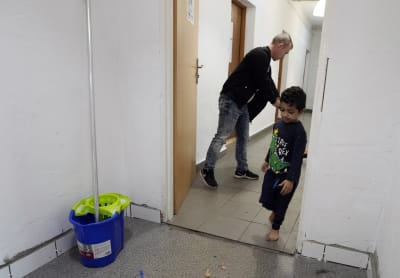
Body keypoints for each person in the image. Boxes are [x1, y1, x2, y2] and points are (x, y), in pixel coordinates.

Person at [200, 31, 293, 189]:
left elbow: (268, 81)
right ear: (280, 45)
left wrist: (278, 99)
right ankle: (207, 169)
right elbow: (261, 81)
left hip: (241, 103)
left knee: (243, 136)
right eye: (285, 52)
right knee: (222, 136)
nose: (283, 56)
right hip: (231, 99)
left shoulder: (265, 60)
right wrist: (274, 100)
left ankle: (241, 169)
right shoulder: (260, 55)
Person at [259, 86, 307, 241]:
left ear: (301, 111)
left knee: (282, 203)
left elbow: (297, 158)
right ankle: (273, 211)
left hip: (287, 176)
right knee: (267, 197)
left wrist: (291, 179)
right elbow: (273, 144)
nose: (285, 114)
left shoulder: (299, 133)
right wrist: (267, 160)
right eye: (283, 110)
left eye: (290, 112)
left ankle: (276, 229)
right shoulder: (278, 125)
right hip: (273, 170)